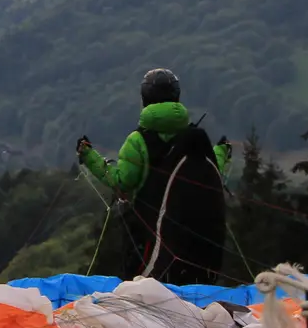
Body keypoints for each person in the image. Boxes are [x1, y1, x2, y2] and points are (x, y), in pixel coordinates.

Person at [77, 68, 232, 286]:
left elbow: (122, 182)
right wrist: (222, 153)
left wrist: (89, 156)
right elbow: (206, 170)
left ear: (145, 98)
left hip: (149, 238)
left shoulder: (138, 141)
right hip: (194, 242)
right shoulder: (193, 138)